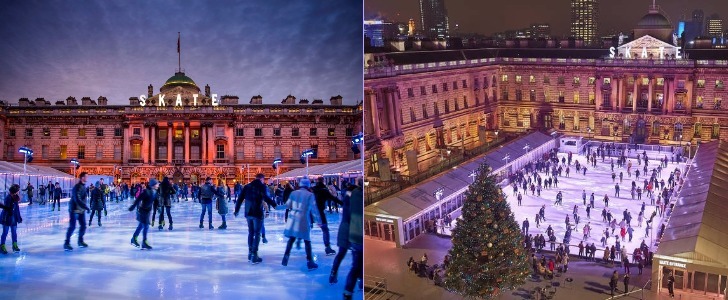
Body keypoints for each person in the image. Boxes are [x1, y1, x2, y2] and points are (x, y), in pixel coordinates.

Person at [234, 173, 277, 264]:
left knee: (251, 232)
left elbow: (240, 199)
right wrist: (274, 205)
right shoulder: (262, 186)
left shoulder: (247, 186)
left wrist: (236, 210)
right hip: (257, 212)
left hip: (248, 212)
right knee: (257, 233)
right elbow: (266, 198)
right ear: (262, 179)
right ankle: (254, 254)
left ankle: (250, 252)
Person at [281, 178, 321, 270]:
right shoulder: (310, 195)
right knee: (307, 240)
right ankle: (310, 261)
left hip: (293, 218)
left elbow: (287, 205)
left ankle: (286, 257)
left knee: (291, 239)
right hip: (303, 218)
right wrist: (319, 221)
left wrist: (276, 207)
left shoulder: (293, 193)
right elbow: (314, 209)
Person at [330, 182, 357, 284]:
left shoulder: (346, 199)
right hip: (352, 229)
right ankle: (360, 279)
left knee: (341, 253)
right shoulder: (355, 202)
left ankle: (333, 273)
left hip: (343, 229)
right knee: (357, 256)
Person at [343, 180, 363, 300]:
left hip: (353, 235)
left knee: (355, 266)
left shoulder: (353, 193)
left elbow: (346, 205)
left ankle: (347, 292)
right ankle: (361, 282)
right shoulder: (358, 195)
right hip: (360, 236)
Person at [312, 177, 343, 255]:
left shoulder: (313, 190)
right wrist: (343, 203)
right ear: (323, 181)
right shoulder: (324, 190)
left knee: (306, 230)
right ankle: (327, 247)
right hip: (320, 213)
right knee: (325, 229)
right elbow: (333, 198)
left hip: (312, 212)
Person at [128, 178, 159, 250]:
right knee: (145, 226)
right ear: (153, 185)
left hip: (148, 211)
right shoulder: (146, 192)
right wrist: (132, 207)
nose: (158, 185)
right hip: (143, 211)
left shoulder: (154, 192)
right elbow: (138, 199)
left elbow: (156, 202)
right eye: (157, 184)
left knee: (142, 225)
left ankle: (134, 238)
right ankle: (144, 241)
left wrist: (158, 208)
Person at [64, 172, 90, 251]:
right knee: (72, 226)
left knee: (83, 226)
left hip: (81, 210)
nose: (87, 178)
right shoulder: (77, 187)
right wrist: (85, 207)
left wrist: (84, 207)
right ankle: (66, 243)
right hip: (74, 210)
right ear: (82, 178)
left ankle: (80, 241)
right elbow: (77, 199)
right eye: (86, 177)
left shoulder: (83, 186)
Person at [0, 184, 23, 254]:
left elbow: (16, 209)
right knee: (5, 232)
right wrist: (4, 218)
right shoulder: (8, 198)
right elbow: (6, 209)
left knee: (14, 232)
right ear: (15, 191)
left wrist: (19, 217)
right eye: (18, 190)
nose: (18, 192)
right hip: (7, 218)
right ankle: (2, 245)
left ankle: (14, 245)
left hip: (14, 218)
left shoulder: (15, 197)